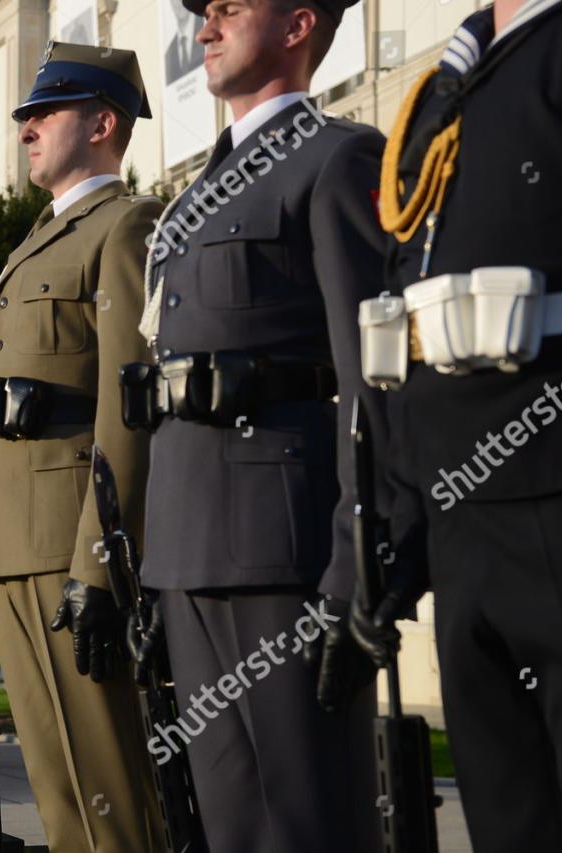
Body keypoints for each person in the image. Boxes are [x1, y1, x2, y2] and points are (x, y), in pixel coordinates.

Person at [351, 1, 562, 850]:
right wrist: (402, 523)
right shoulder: (442, 90)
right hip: (461, 515)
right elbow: (407, 317)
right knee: (510, 820)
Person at [137, 0, 385, 849]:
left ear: (297, 25)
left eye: (230, 10)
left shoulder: (338, 158)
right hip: (185, 543)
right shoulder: (189, 201)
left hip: (283, 547)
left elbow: (368, 377)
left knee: (307, 819)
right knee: (233, 823)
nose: (205, 28)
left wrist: (358, 566)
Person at [0, 41, 165, 852]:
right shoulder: (28, 249)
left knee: (110, 785)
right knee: (54, 787)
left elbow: (130, 402)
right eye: (25, 116)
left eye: (44, 112)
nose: (26, 129)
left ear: (104, 121)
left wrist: (99, 562)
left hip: (69, 541)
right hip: (9, 542)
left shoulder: (125, 225)